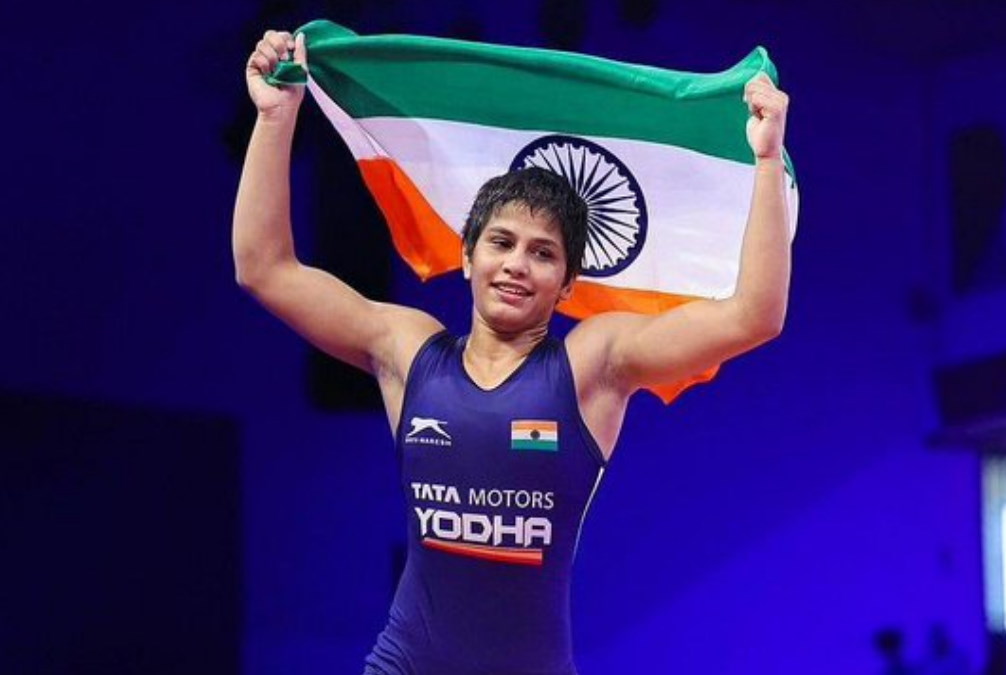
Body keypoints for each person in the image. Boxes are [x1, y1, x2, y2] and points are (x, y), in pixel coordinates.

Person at [235, 29, 793, 675]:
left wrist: (766, 160)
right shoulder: (407, 353)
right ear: (467, 256)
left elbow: (755, 315)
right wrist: (275, 118)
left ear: (568, 285)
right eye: (501, 243)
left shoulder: (592, 365)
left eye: (543, 253)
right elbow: (264, 268)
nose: (517, 265)